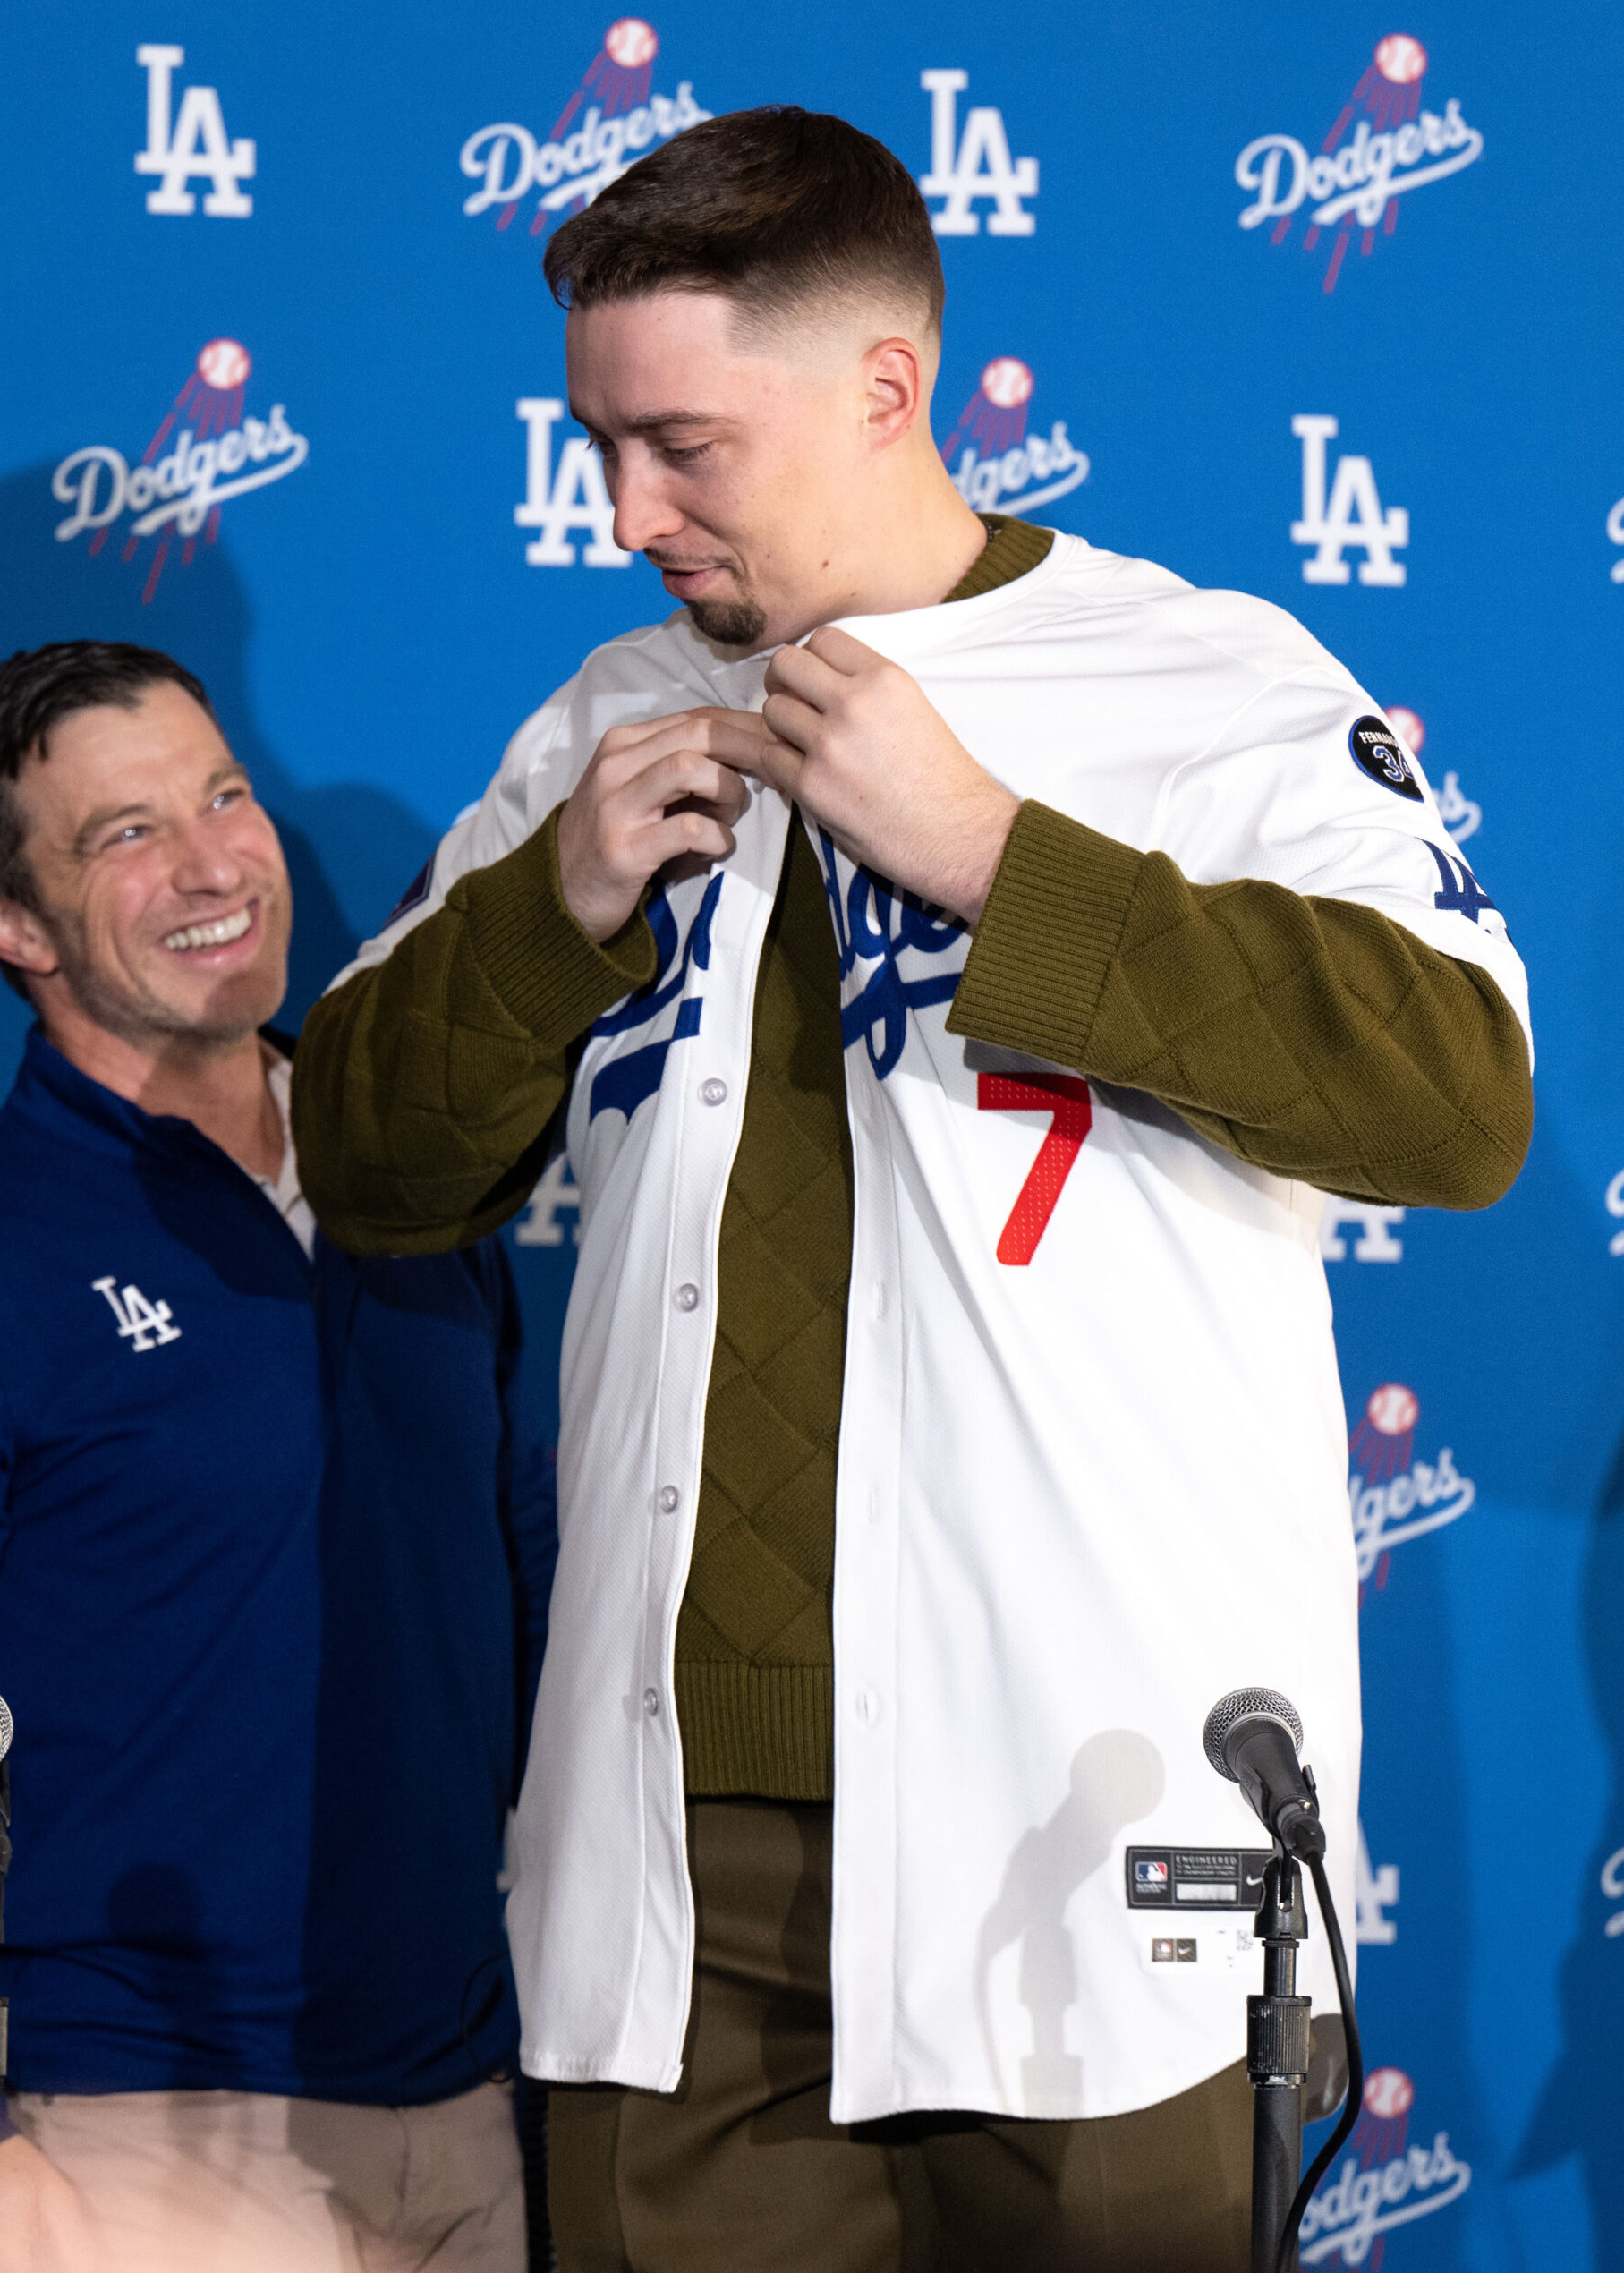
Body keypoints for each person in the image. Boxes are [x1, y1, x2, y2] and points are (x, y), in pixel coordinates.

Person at [288, 109, 1532, 2272]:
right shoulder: (601, 717)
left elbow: (1457, 1093)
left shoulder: (1204, 686)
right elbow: (371, 1165)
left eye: (680, 445)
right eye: (593, 446)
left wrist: (998, 858)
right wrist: (550, 904)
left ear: (883, 387)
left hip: (1082, 1830)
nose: (621, 512)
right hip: (674, 1872)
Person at [0, 641, 557, 2273]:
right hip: (134, 2139)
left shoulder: (418, 1194)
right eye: (125, 835)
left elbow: (534, 1614)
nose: (213, 864)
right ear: (10, 922)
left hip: (473, 2109)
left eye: (223, 795)